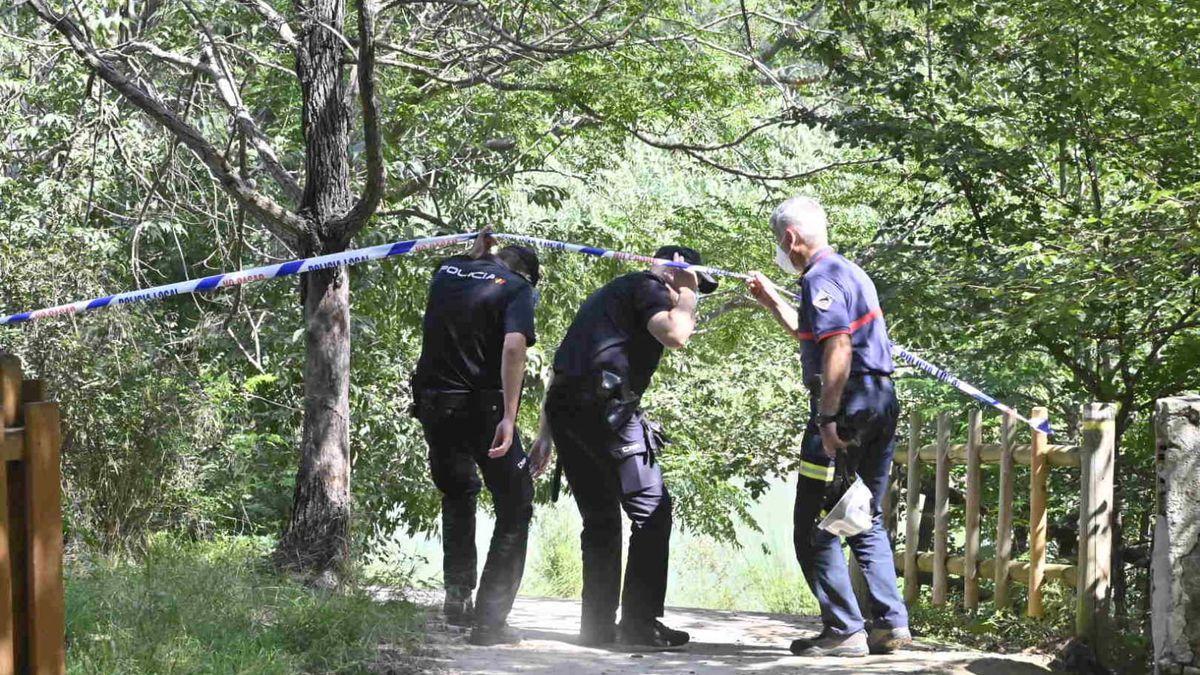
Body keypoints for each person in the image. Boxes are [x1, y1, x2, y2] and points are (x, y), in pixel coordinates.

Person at [746, 196, 911, 658]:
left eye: (779, 241)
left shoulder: (820, 277)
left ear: (790, 237)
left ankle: (844, 629)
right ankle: (889, 624)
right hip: (881, 400)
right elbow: (815, 331)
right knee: (863, 514)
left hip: (849, 407)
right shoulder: (849, 273)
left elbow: (837, 345)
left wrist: (827, 417)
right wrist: (772, 300)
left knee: (813, 526)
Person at [531, 246, 718, 650]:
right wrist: (686, 293)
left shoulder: (612, 296)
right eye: (697, 285)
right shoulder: (650, 286)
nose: (696, 297)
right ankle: (638, 624)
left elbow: (561, 366)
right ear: (677, 271)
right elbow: (675, 335)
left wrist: (545, 434)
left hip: (567, 411)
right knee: (652, 511)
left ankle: (596, 628)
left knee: (599, 520)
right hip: (605, 411)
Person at [411, 231, 551, 646]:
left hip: (433, 403)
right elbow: (513, 348)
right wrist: (510, 416)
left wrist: (476, 252)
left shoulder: (447, 272)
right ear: (525, 272)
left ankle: (457, 600)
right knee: (515, 501)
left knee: (458, 491)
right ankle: (489, 622)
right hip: (482, 406)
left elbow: (466, 262)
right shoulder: (518, 288)